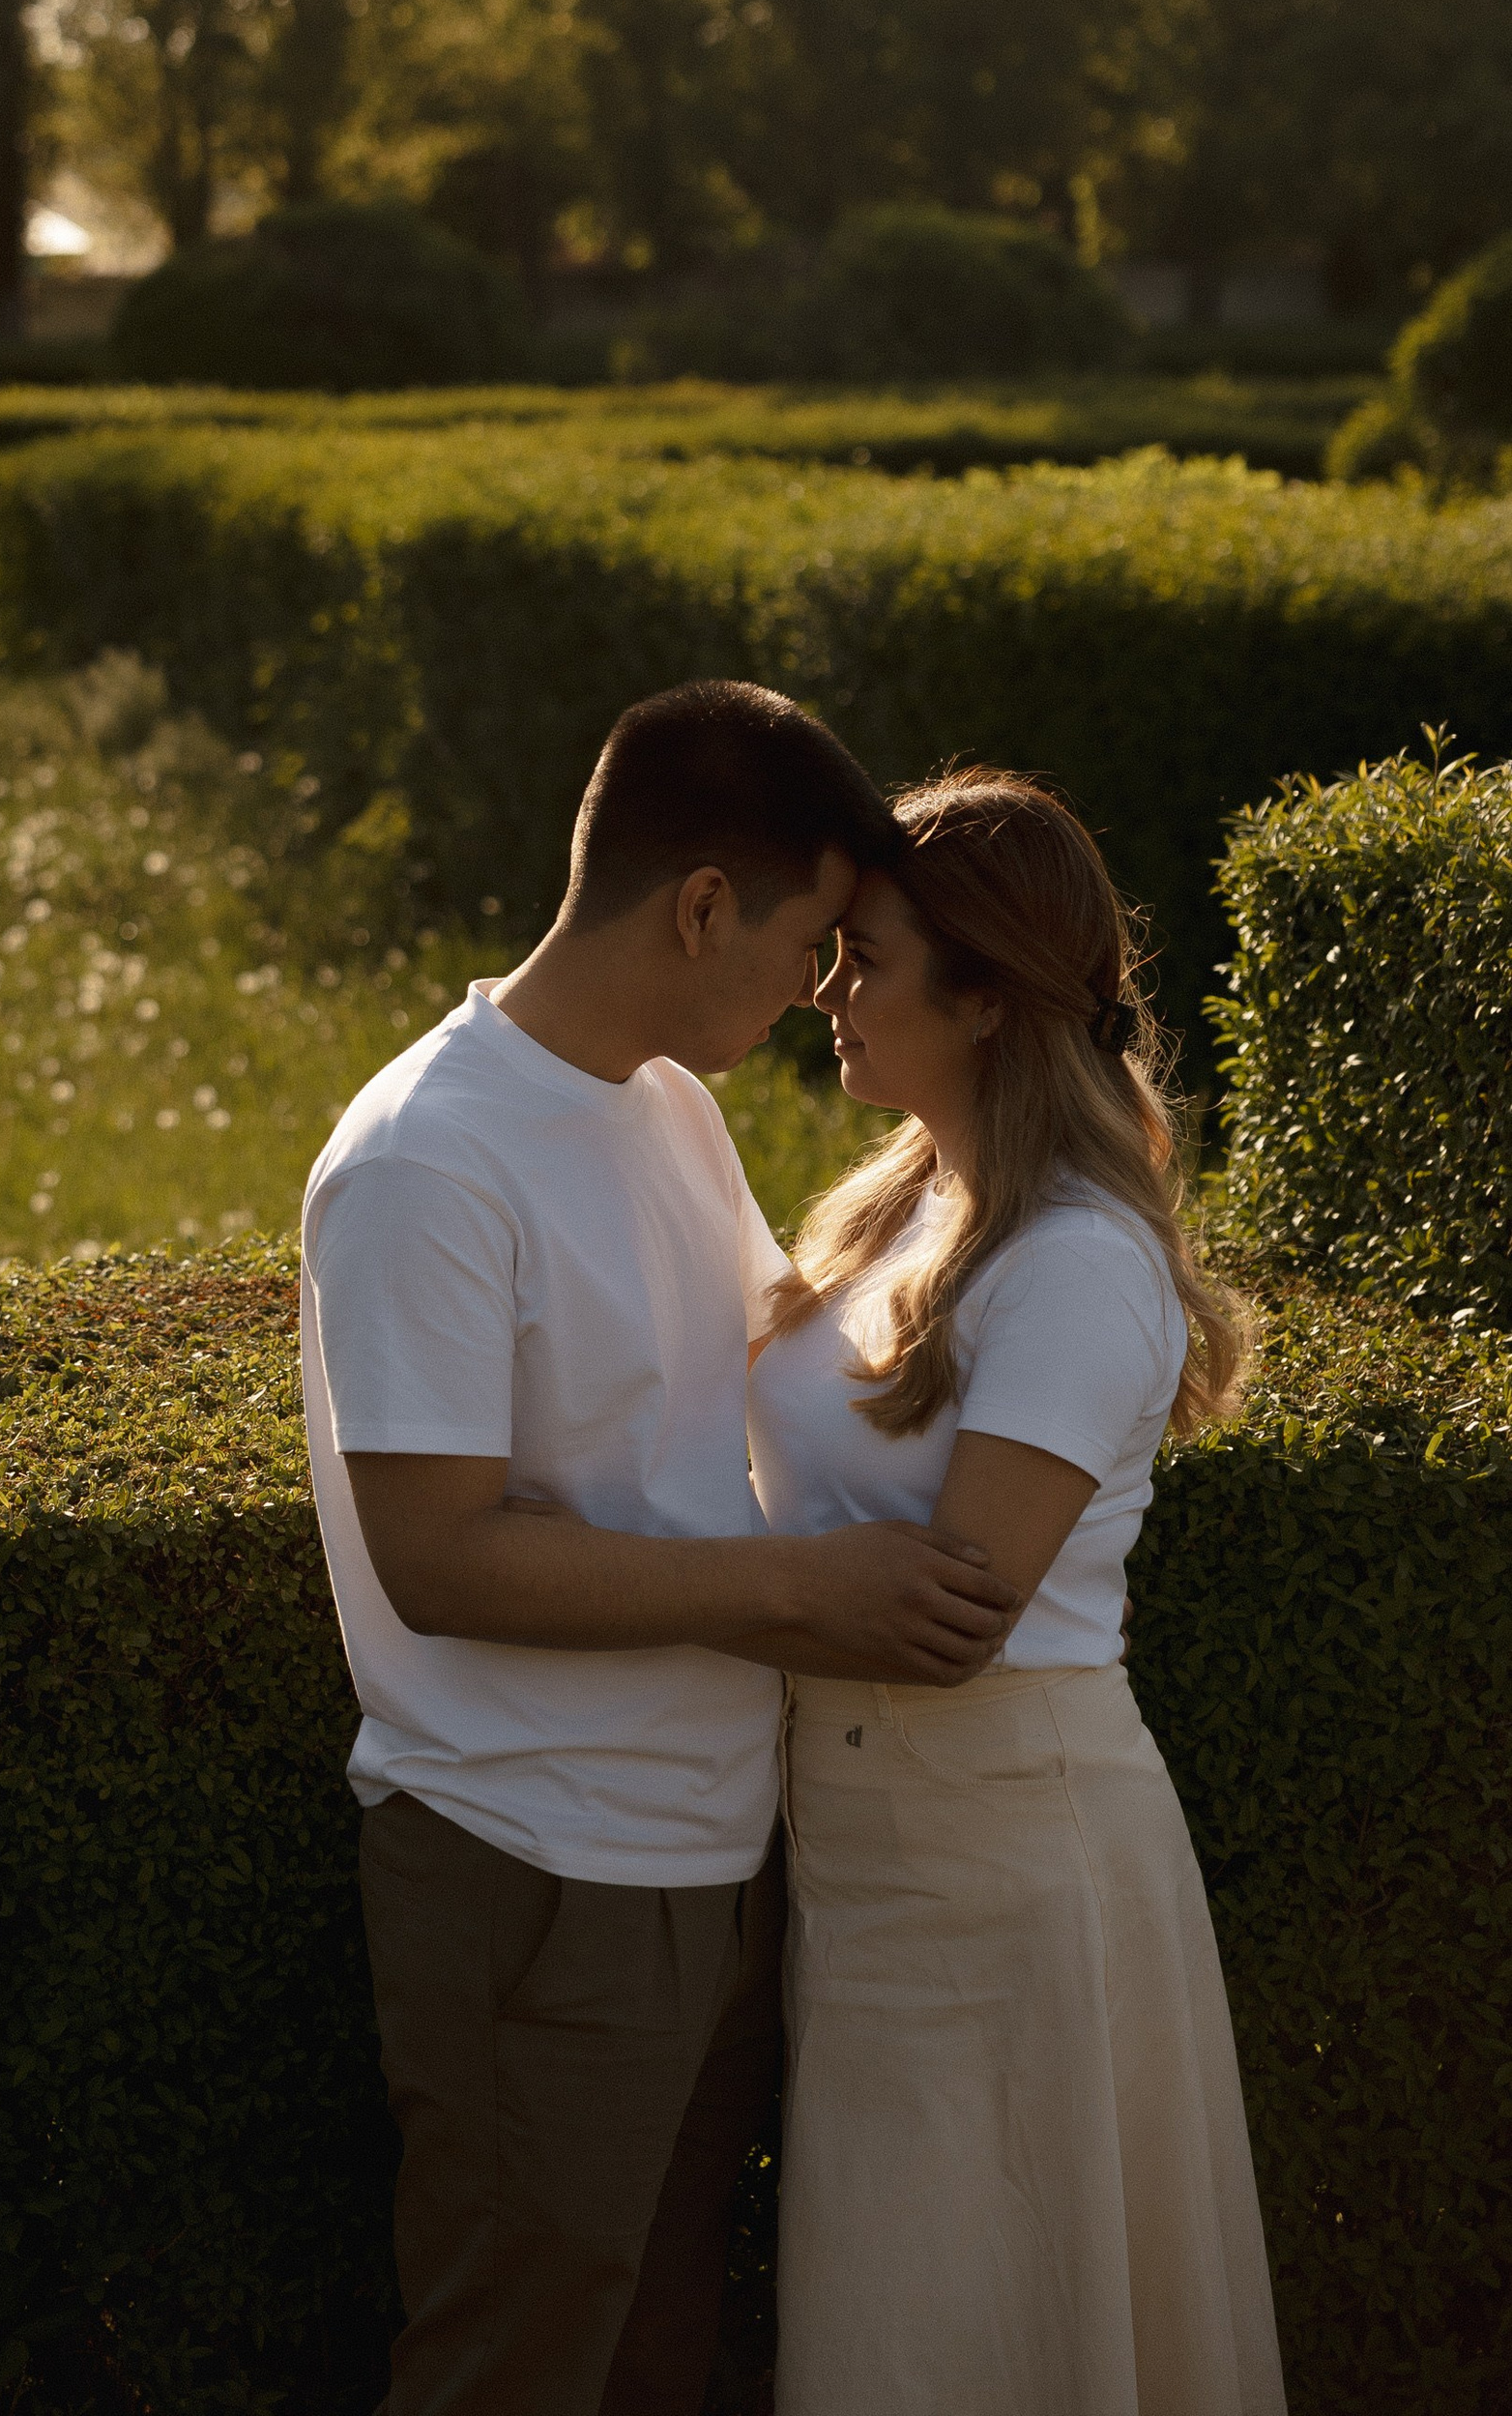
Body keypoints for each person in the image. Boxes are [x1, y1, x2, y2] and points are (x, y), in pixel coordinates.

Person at [299, 681, 1023, 2416]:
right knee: (515, 2369)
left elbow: (782, 1372)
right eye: (814, 940)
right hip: (537, 1865)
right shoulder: (425, 1160)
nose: (822, 988)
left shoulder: (665, 1107)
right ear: (705, 904)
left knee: (660, 2360)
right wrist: (801, 1590)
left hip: (714, 1848)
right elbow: (441, 1558)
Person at [749, 763, 1285, 2416]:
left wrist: (639, 1589)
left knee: (984, 2325)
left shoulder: (1075, 1260)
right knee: (896, 2322)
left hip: (1006, 1861)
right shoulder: (899, 1202)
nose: (825, 996)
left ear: (984, 998)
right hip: (865, 1847)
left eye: (868, 963)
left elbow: (956, 1606)